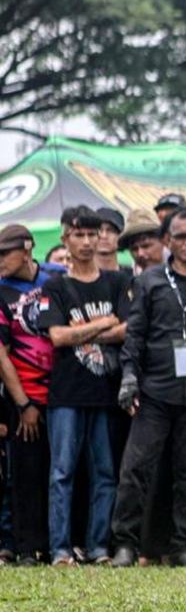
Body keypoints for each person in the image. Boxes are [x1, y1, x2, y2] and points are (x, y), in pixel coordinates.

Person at [109, 208, 186, 568]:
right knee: (135, 469)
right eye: (181, 236)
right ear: (167, 241)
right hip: (154, 394)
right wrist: (129, 378)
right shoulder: (149, 282)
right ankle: (125, 544)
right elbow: (135, 338)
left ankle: (183, 545)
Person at [37, 209, 132, 566]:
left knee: (105, 472)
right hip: (65, 394)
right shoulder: (55, 286)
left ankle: (98, 548)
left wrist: (88, 328)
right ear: (65, 239)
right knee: (62, 472)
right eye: (79, 235)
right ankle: (60, 549)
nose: (88, 241)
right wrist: (105, 322)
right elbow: (57, 336)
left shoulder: (117, 281)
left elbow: (126, 329)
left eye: (94, 234)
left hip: (105, 393)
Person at [0, 224, 66, 565]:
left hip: (65, 394)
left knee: (65, 472)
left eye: (4, 253)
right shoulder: (0, 290)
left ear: (26, 250)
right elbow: (1, 354)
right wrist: (23, 403)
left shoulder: (57, 277)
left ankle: (65, 545)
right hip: (25, 395)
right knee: (25, 474)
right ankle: (27, 548)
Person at [118, 209, 167, 275]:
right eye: (134, 249)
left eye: (146, 246)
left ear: (163, 241)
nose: (140, 254)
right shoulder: (129, 281)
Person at [94, 207, 125, 273]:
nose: (104, 236)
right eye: (99, 230)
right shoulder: (73, 279)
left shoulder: (131, 280)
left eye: (111, 230)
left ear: (120, 236)